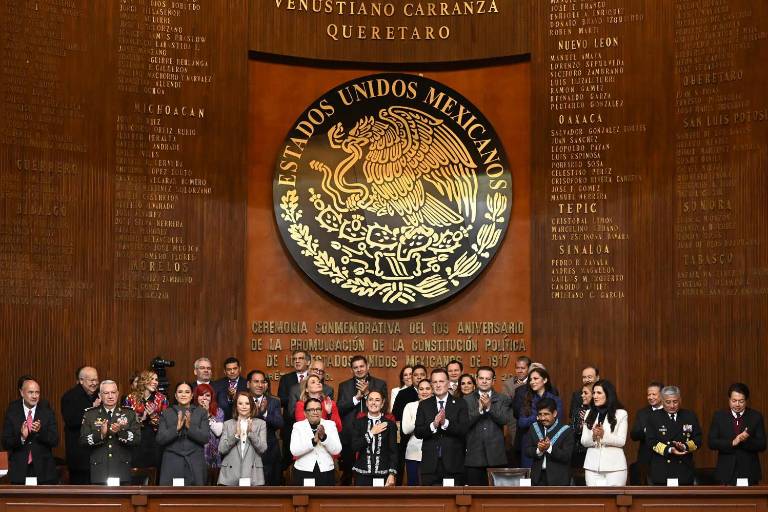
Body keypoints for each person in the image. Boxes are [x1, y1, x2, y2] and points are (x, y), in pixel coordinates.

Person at [337, 355, 388, 485]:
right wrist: (356, 398)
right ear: (351, 370)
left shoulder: (379, 384)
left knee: (371, 474)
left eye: (361, 366)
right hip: (350, 437)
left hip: (374, 434)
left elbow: (384, 408)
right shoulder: (344, 386)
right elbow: (340, 408)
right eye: (355, 367)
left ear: (367, 366)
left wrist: (366, 394)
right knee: (347, 475)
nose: (359, 369)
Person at [80, 380, 141, 485]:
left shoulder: (129, 413)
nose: (110, 396)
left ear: (117, 394)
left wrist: (120, 432)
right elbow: (83, 441)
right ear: (100, 395)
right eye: (106, 393)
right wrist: (101, 435)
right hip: (99, 470)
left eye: (113, 392)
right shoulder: (90, 414)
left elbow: (137, 439)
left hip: (121, 470)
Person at [414, 368, 469, 486]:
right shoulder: (424, 405)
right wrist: (433, 425)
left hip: (453, 464)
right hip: (430, 465)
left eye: (441, 381)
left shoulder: (460, 403)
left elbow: (464, 429)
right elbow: (418, 432)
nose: (438, 385)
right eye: (434, 382)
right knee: (430, 502)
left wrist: (445, 423)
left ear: (448, 383)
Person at [2, 376, 59, 484]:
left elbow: (55, 440)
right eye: (31, 392)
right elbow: (5, 442)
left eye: (37, 392)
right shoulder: (12, 413)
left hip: (44, 471)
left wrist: (40, 432)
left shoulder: (47, 413)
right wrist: (22, 437)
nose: (34, 396)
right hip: (20, 471)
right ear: (22, 393)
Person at [708, 382, 766, 485]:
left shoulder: (755, 417)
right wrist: (732, 442)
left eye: (741, 401)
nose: (737, 404)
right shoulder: (719, 416)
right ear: (729, 400)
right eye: (734, 401)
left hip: (749, 471)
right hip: (726, 472)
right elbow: (711, 442)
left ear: (746, 401)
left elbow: (762, 445)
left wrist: (745, 440)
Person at [464, 367, 511, 485]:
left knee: (496, 499)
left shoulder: (502, 399)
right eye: (481, 378)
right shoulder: (467, 399)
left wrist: (490, 407)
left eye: (488, 379)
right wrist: (479, 409)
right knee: (474, 496)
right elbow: (464, 423)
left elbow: (504, 420)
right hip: (474, 456)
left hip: (496, 456)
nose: (484, 381)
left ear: (493, 381)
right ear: (477, 379)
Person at [646, 385, 702, 486]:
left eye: (675, 401)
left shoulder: (689, 416)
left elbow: (698, 440)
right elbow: (650, 442)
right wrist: (669, 449)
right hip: (662, 470)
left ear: (680, 400)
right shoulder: (653, 417)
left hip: (684, 469)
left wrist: (685, 446)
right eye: (668, 402)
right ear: (662, 401)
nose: (672, 405)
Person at [156, 382, 209, 486]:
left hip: (195, 461)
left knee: (195, 499)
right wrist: (176, 428)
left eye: (187, 392)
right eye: (180, 392)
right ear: (175, 395)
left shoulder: (201, 412)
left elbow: (205, 438)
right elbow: (160, 439)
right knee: (170, 499)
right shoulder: (167, 413)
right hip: (172, 461)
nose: (183, 395)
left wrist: (190, 427)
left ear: (192, 395)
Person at [580, 380, 628, 486]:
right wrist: (593, 436)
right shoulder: (588, 413)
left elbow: (621, 441)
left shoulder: (621, 413)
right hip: (592, 467)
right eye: (594, 393)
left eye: (599, 393)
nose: (595, 396)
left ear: (608, 394)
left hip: (615, 468)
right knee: (594, 501)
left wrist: (603, 436)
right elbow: (583, 441)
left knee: (615, 500)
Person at [218, 391, 267, 486]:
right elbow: (221, 449)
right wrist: (236, 435)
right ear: (236, 406)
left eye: (247, 403)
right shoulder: (228, 424)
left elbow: (263, 448)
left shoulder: (261, 424)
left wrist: (251, 433)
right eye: (240, 403)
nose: (244, 406)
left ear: (252, 405)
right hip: (230, 475)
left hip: (253, 475)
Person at [60, 366, 100, 484]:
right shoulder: (70, 397)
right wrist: (92, 410)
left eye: (96, 380)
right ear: (81, 380)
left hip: (99, 456)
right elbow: (71, 421)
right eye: (91, 380)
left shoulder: (100, 394)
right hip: (80, 457)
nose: (94, 383)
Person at [516, 367, 563, 468]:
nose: (532, 382)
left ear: (545, 380)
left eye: (536, 378)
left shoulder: (555, 400)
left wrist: (537, 418)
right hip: (530, 443)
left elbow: (558, 421)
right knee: (528, 480)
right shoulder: (527, 399)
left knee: (549, 476)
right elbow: (521, 423)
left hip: (550, 441)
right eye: (530, 380)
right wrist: (538, 417)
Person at [122, 369, 168, 469]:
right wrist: (140, 419)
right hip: (136, 441)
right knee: (136, 475)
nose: (155, 382)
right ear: (144, 380)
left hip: (154, 441)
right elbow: (125, 423)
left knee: (154, 473)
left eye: (156, 379)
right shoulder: (130, 398)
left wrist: (152, 415)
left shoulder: (162, 399)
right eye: (152, 379)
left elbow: (165, 425)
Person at [290, 397, 342, 486]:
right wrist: (313, 442)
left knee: (325, 500)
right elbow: (294, 451)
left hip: (326, 471)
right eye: (311, 409)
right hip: (304, 471)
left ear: (322, 411)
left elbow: (337, 450)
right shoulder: (298, 426)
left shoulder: (330, 425)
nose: (315, 412)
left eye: (318, 409)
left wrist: (324, 438)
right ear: (305, 413)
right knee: (303, 499)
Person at [351, 391, 398, 486]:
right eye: (370, 400)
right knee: (361, 501)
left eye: (377, 400)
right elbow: (354, 447)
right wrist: (371, 433)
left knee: (381, 501)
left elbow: (394, 452)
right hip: (362, 473)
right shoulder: (358, 423)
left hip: (382, 473)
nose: (373, 403)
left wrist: (392, 474)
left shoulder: (390, 424)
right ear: (367, 403)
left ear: (382, 403)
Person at [523, 397, 573, 486]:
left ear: (554, 413)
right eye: (540, 414)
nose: (542, 418)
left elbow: (566, 456)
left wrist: (549, 448)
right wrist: (538, 450)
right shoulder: (534, 428)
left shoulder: (566, 430)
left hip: (558, 480)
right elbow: (527, 450)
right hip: (537, 478)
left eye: (546, 414)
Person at [247, 369, 284, 485]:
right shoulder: (242, 400)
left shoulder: (274, 402)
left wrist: (264, 413)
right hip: (247, 451)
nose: (260, 385)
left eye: (262, 382)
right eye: (256, 381)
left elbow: (279, 423)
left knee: (271, 489)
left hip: (269, 453)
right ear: (248, 384)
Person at [278, 350, 311, 471]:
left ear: (308, 362)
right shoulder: (286, 379)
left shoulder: (313, 378)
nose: (297, 361)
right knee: (288, 459)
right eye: (295, 359)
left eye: (301, 358)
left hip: (310, 426)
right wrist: (298, 401)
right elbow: (281, 399)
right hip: (290, 426)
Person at [629, 381, 664, 484]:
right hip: (646, 460)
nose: (650, 397)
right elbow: (634, 435)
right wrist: (646, 431)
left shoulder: (669, 412)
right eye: (649, 394)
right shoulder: (642, 413)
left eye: (654, 394)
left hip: (664, 459)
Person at [401, 378, 433, 485]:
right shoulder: (410, 406)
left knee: (430, 486)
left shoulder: (438, 406)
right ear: (418, 392)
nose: (424, 392)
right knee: (413, 486)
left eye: (428, 389)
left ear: (432, 391)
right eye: (421, 389)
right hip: (413, 452)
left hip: (432, 452)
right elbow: (405, 430)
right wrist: (420, 416)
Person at [502, 355, 531, 466]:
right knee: (517, 448)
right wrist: (519, 390)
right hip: (514, 421)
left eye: (523, 368)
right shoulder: (508, 383)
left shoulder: (533, 381)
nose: (520, 371)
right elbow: (506, 402)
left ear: (528, 368)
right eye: (517, 368)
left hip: (532, 418)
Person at [192, 383, 224, 470]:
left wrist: (207, 414)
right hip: (196, 452)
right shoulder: (191, 411)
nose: (204, 398)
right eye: (201, 395)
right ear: (196, 397)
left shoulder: (218, 411)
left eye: (207, 395)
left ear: (211, 397)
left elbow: (218, 432)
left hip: (213, 454)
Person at [570, 383, 593, 477]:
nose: (582, 395)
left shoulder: (599, 412)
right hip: (578, 451)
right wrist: (580, 424)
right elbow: (574, 430)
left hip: (592, 451)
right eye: (582, 392)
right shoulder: (577, 411)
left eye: (585, 393)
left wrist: (587, 421)